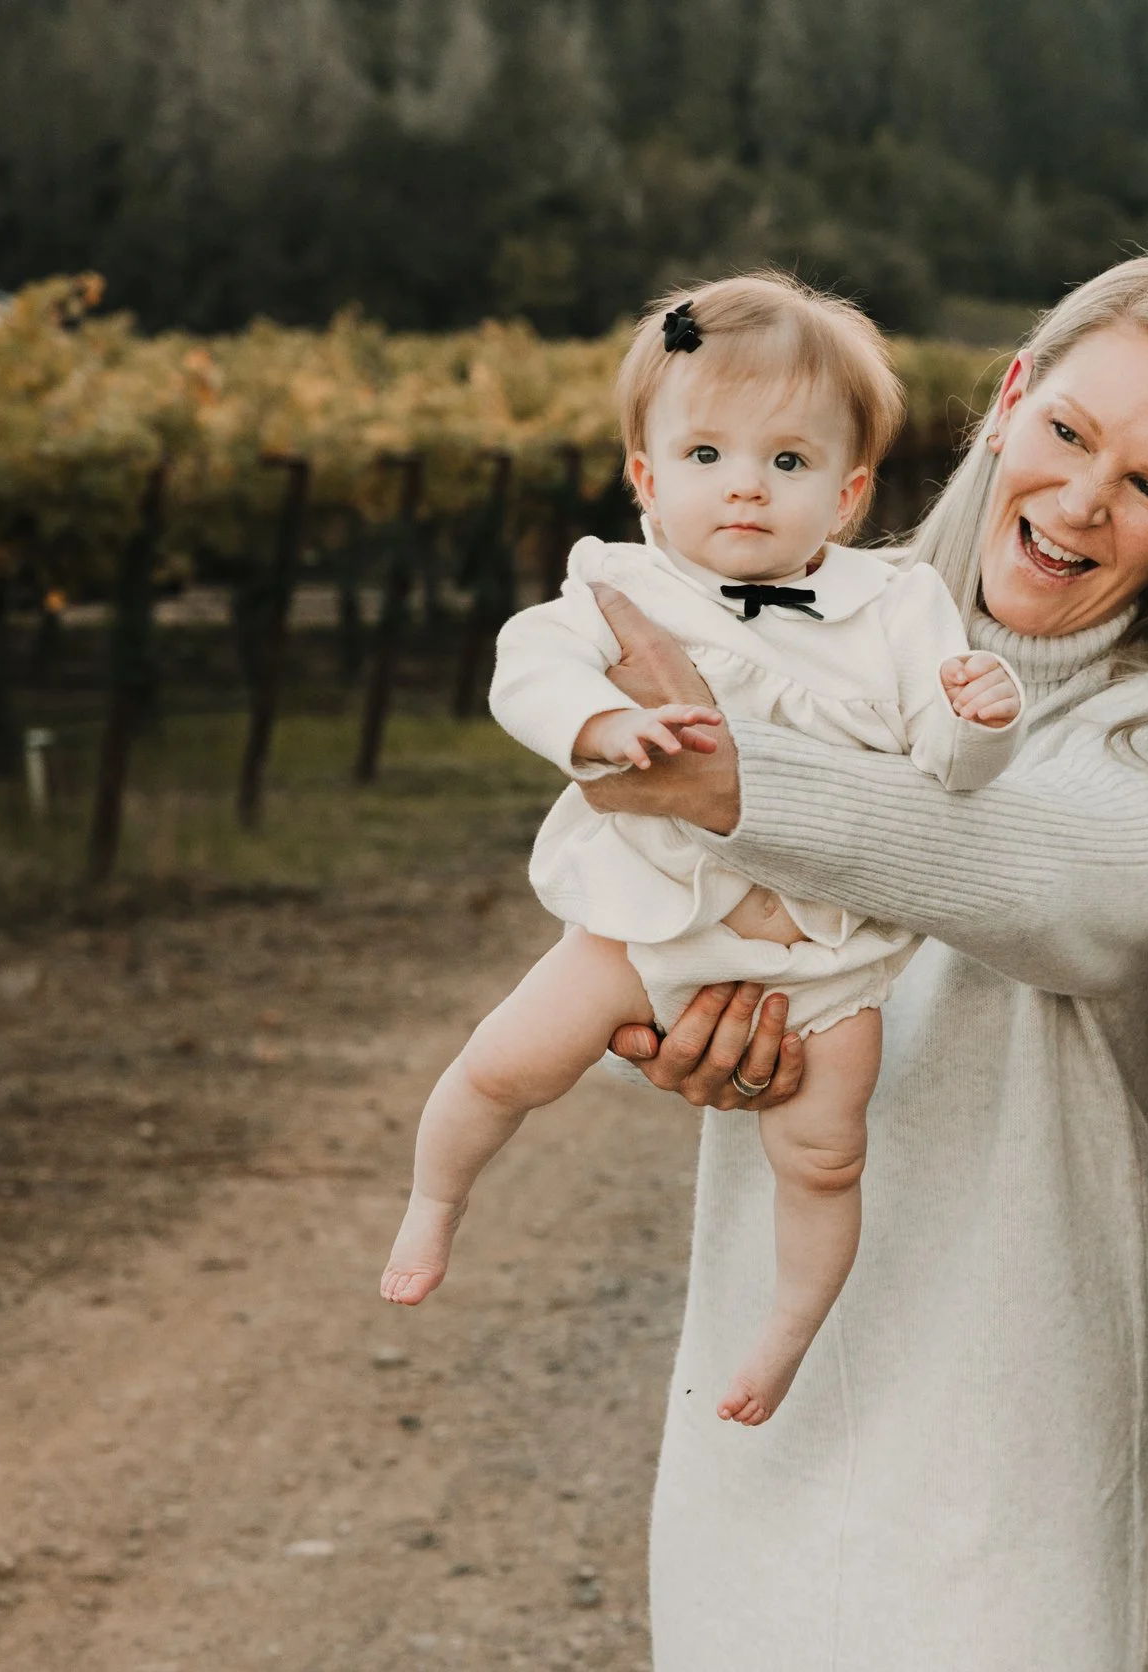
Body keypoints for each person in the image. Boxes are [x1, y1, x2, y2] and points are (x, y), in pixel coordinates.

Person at [568, 252, 1148, 1669]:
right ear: (1009, 399)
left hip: (1018, 1352)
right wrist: (677, 1033)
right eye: (1068, 434)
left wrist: (744, 784)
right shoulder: (802, 639)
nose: (1084, 501)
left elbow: (1044, 878)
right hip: (773, 1316)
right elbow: (653, 920)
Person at [378, 273, 1024, 1436]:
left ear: (848, 490)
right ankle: (434, 1198)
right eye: (709, 453)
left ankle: (785, 1330)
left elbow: (945, 768)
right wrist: (601, 723)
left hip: (821, 953)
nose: (745, 485)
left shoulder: (900, 605)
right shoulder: (622, 587)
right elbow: (525, 667)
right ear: (646, 478)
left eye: (788, 462)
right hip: (648, 913)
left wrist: (980, 717)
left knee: (824, 1155)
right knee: (506, 1061)